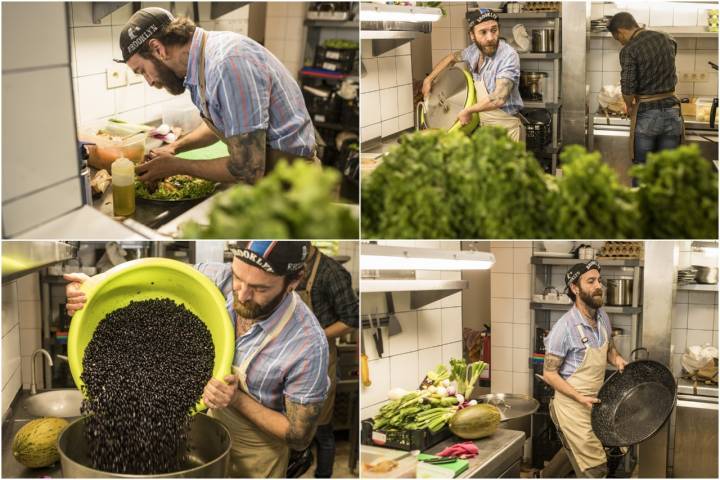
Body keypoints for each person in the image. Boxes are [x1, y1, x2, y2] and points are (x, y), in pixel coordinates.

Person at [64, 241, 329, 478]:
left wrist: (235, 399)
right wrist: (92, 285)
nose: (243, 294)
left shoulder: (307, 345)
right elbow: (156, 273)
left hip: (258, 458)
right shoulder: (219, 277)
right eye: (238, 278)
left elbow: (299, 436)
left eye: (260, 288)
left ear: (294, 281)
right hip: (209, 431)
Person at [114, 8, 318, 185]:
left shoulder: (226, 64)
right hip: (272, 178)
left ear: (158, 49)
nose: (149, 81)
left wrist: (176, 166)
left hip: (295, 183)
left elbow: (249, 167)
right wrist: (175, 147)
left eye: (142, 71)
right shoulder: (202, 62)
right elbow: (226, 120)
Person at [542, 260, 628, 478]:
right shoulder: (564, 328)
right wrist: (580, 398)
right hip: (571, 407)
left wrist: (617, 360)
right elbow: (549, 373)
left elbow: (609, 349)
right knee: (595, 468)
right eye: (590, 281)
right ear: (575, 288)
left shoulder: (603, 318)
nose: (598, 286)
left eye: (599, 280)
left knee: (584, 450)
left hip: (595, 402)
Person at [293, 244, 359, 478]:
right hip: (291, 357)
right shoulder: (289, 266)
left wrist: (316, 335)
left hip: (320, 359)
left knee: (321, 429)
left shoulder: (332, 273)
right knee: (291, 426)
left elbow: (352, 319)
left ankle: (323, 475)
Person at [421, 9, 525, 141]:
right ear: (472, 35)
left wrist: (468, 110)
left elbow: (499, 98)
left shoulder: (508, 55)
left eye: (494, 30)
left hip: (507, 130)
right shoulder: (473, 52)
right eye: (483, 32)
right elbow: (452, 58)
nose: (490, 38)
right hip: (485, 129)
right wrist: (429, 79)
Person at [608, 12, 684, 175]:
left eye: (618, 39)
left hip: (647, 117)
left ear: (620, 32)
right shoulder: (667, 39)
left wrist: (629, 105)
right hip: (673, 112)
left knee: (643, 172)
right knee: (668, 173)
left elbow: (628, 88)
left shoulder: (629, 49)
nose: (620, 43)